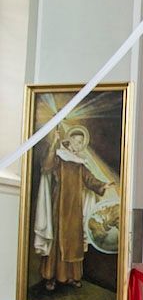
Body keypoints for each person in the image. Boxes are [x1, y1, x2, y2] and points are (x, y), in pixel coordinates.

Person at [33, 124, 108, 291]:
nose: (79, 145)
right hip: (59, 204)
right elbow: (46, 166)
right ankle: (51, 277)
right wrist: (54, 143)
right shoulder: (59, 156)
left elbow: (89, 179)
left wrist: (103, 185)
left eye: (82, 143)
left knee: (74, 242)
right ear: (70, 140)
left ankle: (72, 277)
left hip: (75, 207)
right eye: (77, 141)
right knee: (57, 240)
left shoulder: (80, 163)